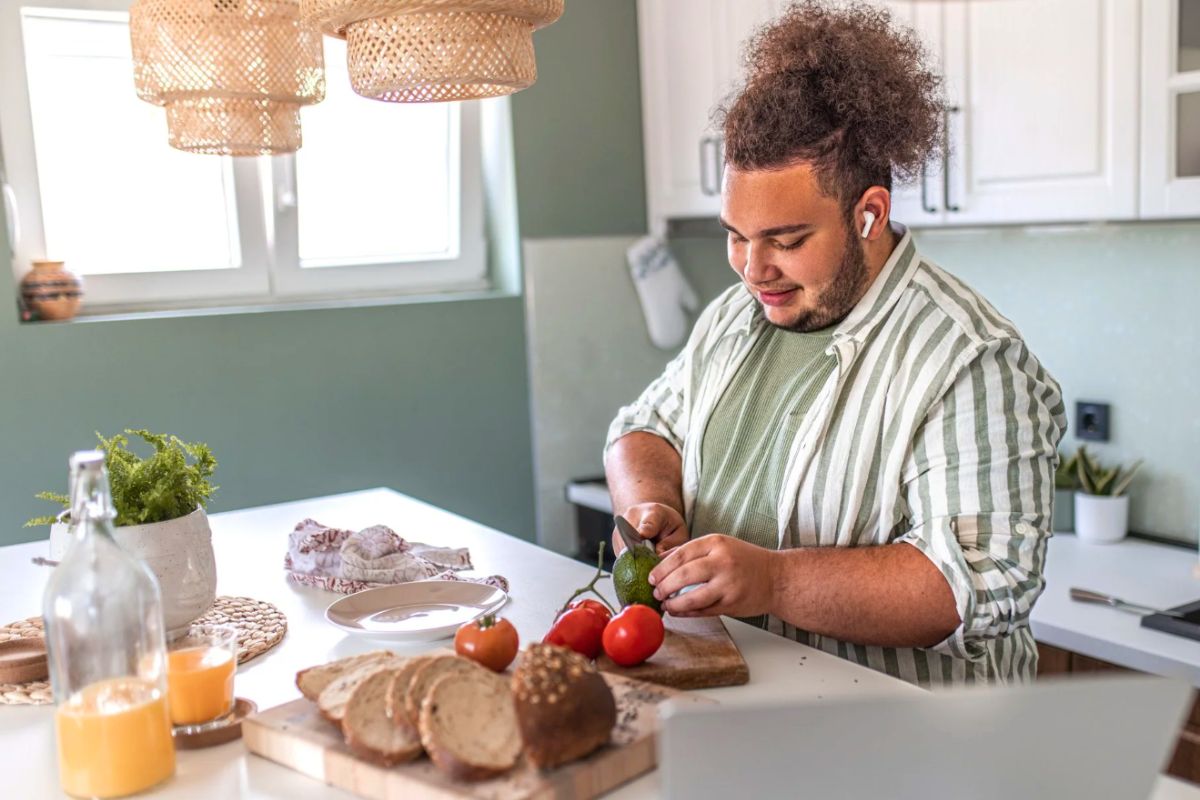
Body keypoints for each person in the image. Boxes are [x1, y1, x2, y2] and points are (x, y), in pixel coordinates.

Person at [605, 0, 1066, 686]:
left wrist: (774, 582)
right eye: (735, 235)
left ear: (869, 213)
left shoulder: (970, 360)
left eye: (786, 241)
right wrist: (651, 504)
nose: (751, 269)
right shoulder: (736, 317)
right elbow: (644, 428)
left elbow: (973, 586)